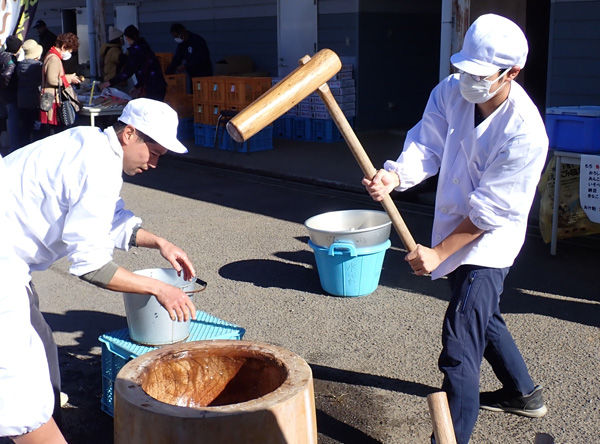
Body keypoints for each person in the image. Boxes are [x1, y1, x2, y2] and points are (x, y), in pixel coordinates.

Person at [362, 14, 548, 444]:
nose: (467, 79)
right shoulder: (451, 91)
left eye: (479, 74)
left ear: (512, 73)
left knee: (460, 342)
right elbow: (426, 144)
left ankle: (452, 438)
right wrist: (396, 176)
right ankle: (524, 394)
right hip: (452, 226)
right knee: (482, 316)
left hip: (490, 241)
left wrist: (438, 253)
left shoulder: (525, 133)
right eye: (463, 68)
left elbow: (489, 213)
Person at [2, 98, 197, 437]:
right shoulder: (98, 166)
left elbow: (111, 218)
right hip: (5, 261)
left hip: (13, 258)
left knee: (43, 346)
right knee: (17, 392)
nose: (154, 163)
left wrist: (161, 243)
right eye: (154, 152)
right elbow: (91, 267)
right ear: (130, 134)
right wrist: (159, 288)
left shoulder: (90, 141)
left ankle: (49, 419)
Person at [99, 25, 167, 101]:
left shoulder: (135, 51)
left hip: (151, 87)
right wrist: (137, 86)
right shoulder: (145, 47)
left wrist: (110, 82)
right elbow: (145, 69)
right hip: (157, 84)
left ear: (127, 38)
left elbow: (129, 70)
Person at [40, 32, 81, 137]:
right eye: (69, 50)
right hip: (53, 100)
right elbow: (52, 80)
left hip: (51, 97)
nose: (69, 53)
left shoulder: (51, 55)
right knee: (56, 131)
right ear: (64, 47)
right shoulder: (54, 58)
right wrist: (68, 78)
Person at [16, 39, 43, 147]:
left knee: (24, 129)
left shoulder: (19, 66)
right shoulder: (38, 66)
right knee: (37, 129)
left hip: (22, 99)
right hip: (35, 100)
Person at [0, 35, 22, 152]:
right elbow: (6, 75)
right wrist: (6, 86)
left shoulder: (1, 55)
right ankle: (14, 149)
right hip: (9, 94)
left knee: (3, 119)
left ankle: (4, 145)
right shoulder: (11, 59)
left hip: (2, 95)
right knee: (13, 121)